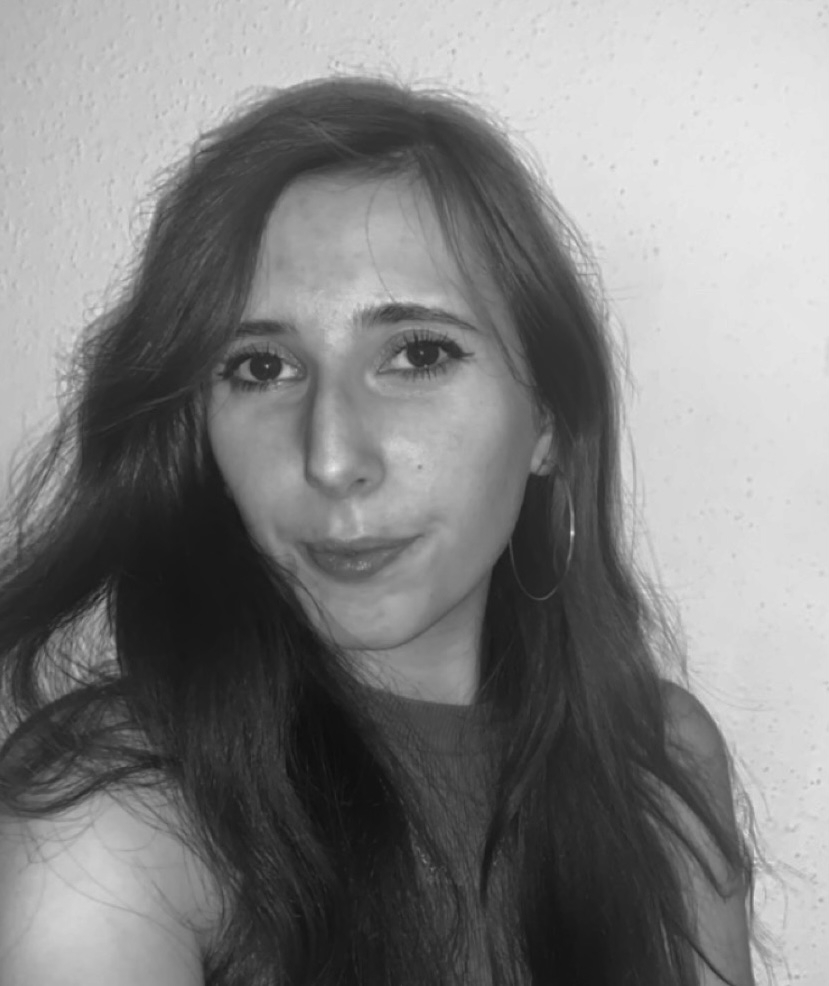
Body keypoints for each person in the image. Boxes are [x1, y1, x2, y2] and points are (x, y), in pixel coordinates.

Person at [0, 75, 756, 985]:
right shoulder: (112, 823)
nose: (330, 457)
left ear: (550, 421)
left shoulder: (658, 762)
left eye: (418, 354)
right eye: (261, 367)